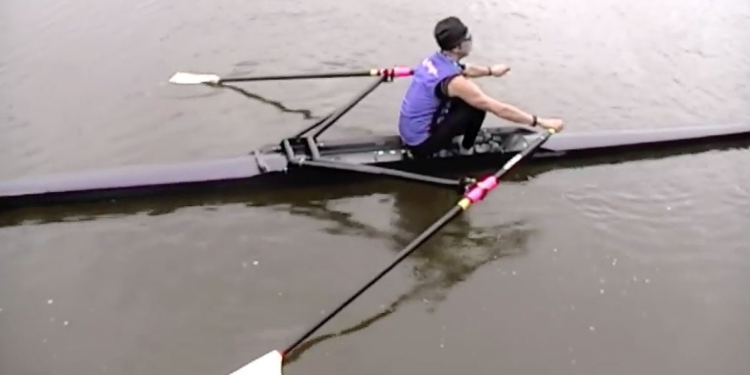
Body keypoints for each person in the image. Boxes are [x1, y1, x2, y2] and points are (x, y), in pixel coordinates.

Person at [398, 16, 564, 157]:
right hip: (420, 144)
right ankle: (466, 151)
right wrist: (541, 122)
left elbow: (466, 69)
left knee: (466, 100)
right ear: (457, 47)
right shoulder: (454, 81)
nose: (471, 40)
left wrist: (491, 71)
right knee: (476, 108)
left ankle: (448, 136)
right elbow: (498, 108)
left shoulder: (434, 60)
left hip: (408, 132)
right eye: (468, 38)